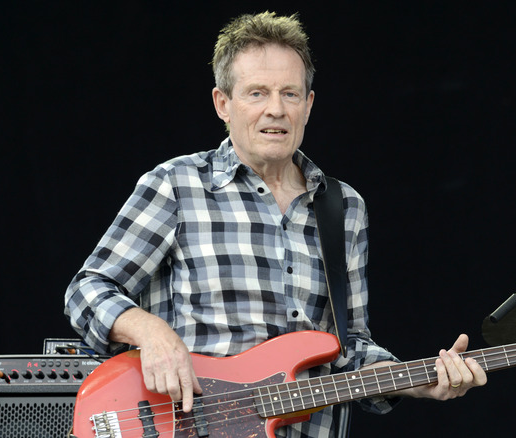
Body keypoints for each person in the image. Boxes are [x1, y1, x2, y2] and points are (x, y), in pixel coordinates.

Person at [64, 11, 487, 437]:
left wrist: (419, 382)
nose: (276, 109)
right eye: (257, 93)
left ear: (309, 105)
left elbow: (352, 346)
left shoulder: (344, 207)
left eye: (290, 93)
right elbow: (88, 289)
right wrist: (151, 332)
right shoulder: (178, 185)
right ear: (223, 104)